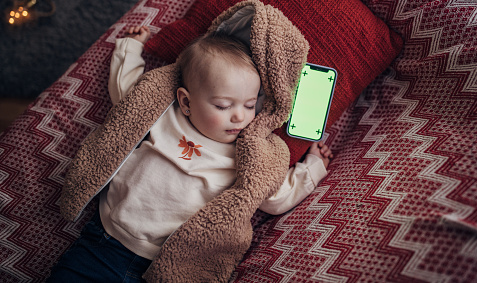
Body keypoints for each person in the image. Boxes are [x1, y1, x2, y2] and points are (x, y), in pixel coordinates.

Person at [48, 26, 333, 282]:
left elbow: (275, 195)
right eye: (223, 106)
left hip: (168, 268)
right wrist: (129, 49)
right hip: (103, 244)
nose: (239, 117)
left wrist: (312, 168)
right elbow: (127, 91)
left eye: (249, 105)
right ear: (186, 101)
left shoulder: (249, 153)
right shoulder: (163, 113)